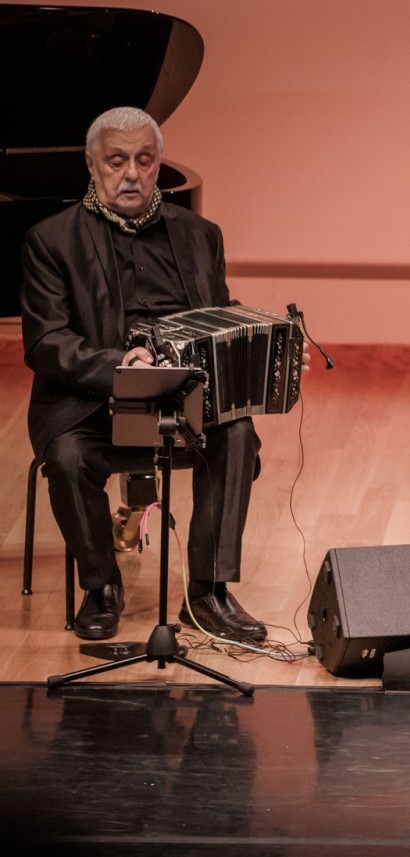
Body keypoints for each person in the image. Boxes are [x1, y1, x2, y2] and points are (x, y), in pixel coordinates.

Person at [20, 107, 271, 643]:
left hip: (183, 400)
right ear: (92, 166)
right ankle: (101, 586)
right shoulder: (51, 239)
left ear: (158, 166)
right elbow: (46, 343)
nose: (131, 173)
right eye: (116, 161)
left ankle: (207, 593)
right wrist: (120, 365)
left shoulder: (201, 234)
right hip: (89, 404)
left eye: (144, 160)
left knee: (238, 436)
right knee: (67, 458)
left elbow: (216, 313)